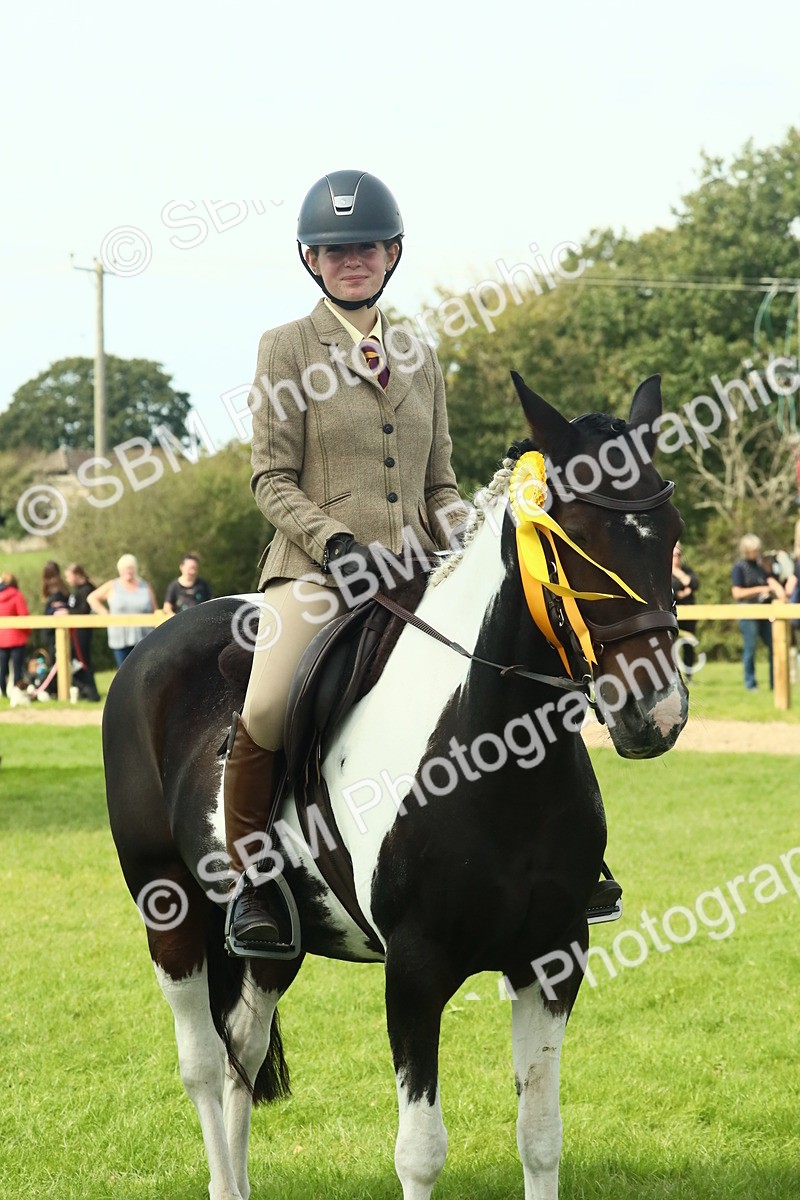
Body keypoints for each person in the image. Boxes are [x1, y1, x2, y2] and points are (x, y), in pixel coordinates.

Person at [224, 170, 467, 947]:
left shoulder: (419, 354)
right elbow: (271, 477)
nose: (351, 261)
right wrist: (334, 542)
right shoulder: (287, 348)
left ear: (392, 253)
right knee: (267, 706)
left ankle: (565, 852)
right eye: (335, 251)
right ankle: (250, 885)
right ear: (311, 259)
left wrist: (474, 533)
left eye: (365, 248)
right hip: (316, 571)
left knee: (513, 664)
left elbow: (440, 486)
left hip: (418, 571)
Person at [731, 533, 784, 690]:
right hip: (748, 612)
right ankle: (750, 684)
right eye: (755, 550)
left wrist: (778, 590)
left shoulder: (760, 567)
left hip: (764, 611)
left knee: (774, 644)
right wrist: (760, 589)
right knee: (750, 648)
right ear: (747, 550)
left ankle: (775, 683)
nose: (758, 552)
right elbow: (737, 593)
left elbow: (771, 582)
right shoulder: (739, 567)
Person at [87, 554, 157, 668]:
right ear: (119, 570)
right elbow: (92, 598)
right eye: (125, 568)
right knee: (124, 671)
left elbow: (155, 610)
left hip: (144, 637)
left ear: (135, 569)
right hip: (120, 638)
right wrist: (105, 613)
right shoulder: (112, 585)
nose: (128, 571)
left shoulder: (145, 586)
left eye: (130, 568)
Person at [65, 563, 101, 701]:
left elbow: (83, 610)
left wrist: (67, 613)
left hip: (82, 631)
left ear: (77, 575)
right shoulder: (77, 590)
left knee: (83, 660)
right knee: (76, 661)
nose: (67, 580)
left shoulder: (86, 589)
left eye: (69, 576)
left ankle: (92, 692)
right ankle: (82, 690)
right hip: (75, 630)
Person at [0, 573, 30, 698]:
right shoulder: (17, 595)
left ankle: (3, 692)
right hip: (17, 637)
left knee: (2, 668)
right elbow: (23, 615)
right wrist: (27, 632)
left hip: (1, 638)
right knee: (17, 667)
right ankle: (17, 692)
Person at [671, 543, 699, 672]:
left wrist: (680, 575)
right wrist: (683, 587)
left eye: (679, 555)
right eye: (674, 555)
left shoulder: (687, 570)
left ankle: (689, 675)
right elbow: (672, 588)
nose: (677, 558)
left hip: (689, 614)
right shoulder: (664, 571)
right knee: (671, 645)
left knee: (689, 644)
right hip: (673, 614)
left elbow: (695, 583)